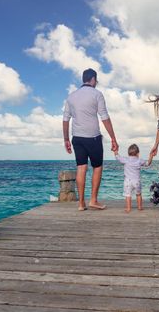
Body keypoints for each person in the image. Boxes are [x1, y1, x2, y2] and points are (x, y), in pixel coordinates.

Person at [63, 68, 119, 211]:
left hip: (77, 138)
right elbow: (104, 117)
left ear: (83, 79)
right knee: (97, 167)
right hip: (93, 138)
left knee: (81, 167)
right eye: (96, 80)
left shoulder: (71, 96)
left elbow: (65, 120)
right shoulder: (97, 94)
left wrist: (66, 140)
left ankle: (81, 204)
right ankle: (93, 200)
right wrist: (113, 138)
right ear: (93, 79)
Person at [114, 144, 153, 213]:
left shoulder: (125, 159)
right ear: (138, 153)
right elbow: (148, 164)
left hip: (128, 181)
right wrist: (151, 156)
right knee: (138, 194)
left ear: (128, 153)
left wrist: (115, 151)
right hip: (137, 181)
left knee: (128, 195)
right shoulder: (139, 160)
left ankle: (128, 208)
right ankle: (140, 207)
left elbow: (118, 157)